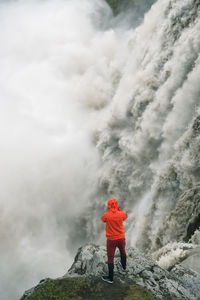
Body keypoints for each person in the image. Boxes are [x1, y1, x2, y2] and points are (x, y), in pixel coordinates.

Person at [101, 197, 128, 283]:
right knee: (123, 252)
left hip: (111, 240)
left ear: (108, 206)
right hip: (121, 238)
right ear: (116, 205)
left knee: (110, 258)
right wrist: (118, 209)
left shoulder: (106, 215)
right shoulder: (121, 214)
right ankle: (124, 267)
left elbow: (103, 219)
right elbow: (125, 216)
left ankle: (111, 278)